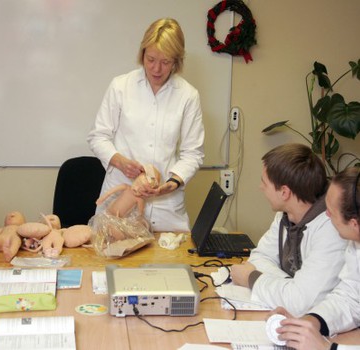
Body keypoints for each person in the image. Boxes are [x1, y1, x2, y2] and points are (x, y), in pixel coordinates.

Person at [87, 18, 205, 232]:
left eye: (166, 62)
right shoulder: (121, 87)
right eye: (151, 59)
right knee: (110, 254)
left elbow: (193, 153)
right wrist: (121, 162)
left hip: (165, 205)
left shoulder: (188, 96)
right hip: (121, 196)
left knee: (169, 262)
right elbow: (98, 137)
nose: (157, 69)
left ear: (177, 61)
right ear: (142, 53)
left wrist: (173, 182)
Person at [230, 143, 347, 316]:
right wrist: (290, 287)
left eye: (264, 182)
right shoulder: (287, 214)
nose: (260, 187)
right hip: (291, 316)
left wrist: (252, 278)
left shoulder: (331, 229)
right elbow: (259, 257)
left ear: (284, 192)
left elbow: (301, 303)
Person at [276, 167, 360, 349]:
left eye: (330, 211)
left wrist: (325, 348)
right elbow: (351, 299)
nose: (326, 215)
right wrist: (311, 321)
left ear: (354, 224)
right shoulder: (356, 243)